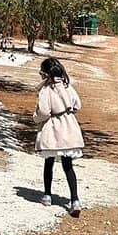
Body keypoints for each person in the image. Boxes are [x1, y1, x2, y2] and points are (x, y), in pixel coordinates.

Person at [34, 56, 84, 214]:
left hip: (52, 128)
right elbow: (77, 104)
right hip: (69, 127)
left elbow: (44, 111)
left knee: (48, 162)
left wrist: (36, 118)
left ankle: (47, 195)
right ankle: (75, 200)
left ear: (46, 74)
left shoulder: (46, 90)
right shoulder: (67, 86)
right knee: (68, 165)